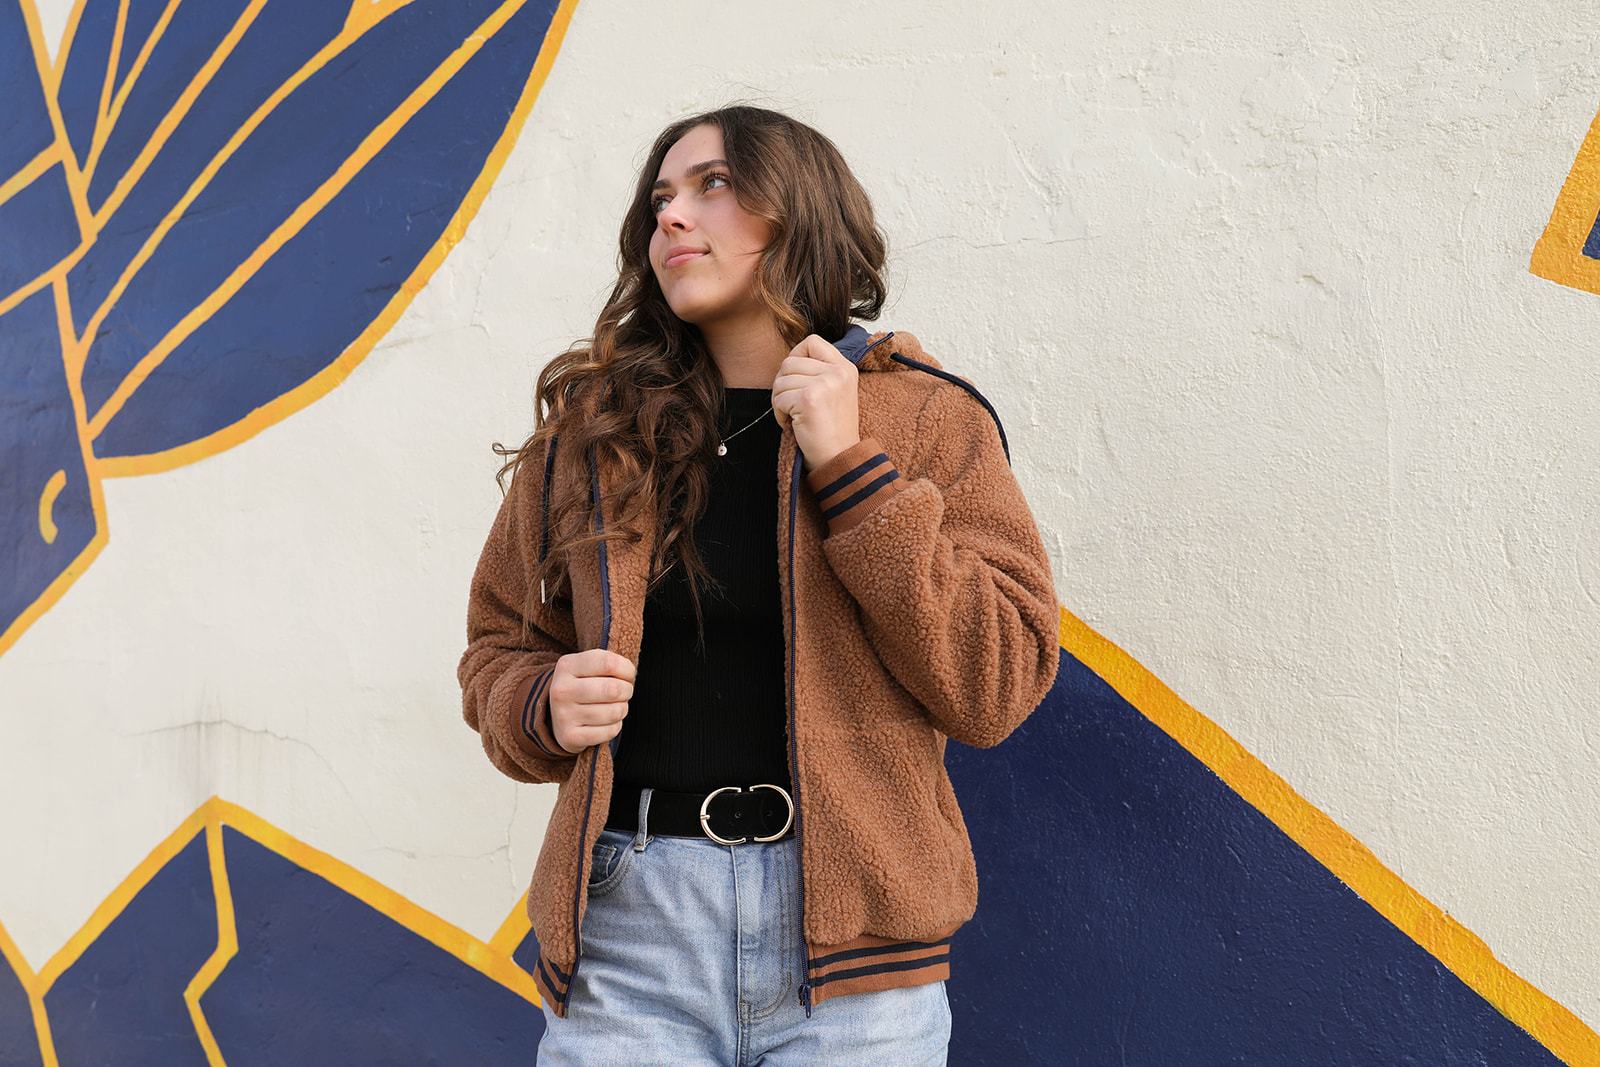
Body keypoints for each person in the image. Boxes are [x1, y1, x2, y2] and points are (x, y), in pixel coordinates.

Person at [457, 103, 1060, 1065]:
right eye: (660, 197)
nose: (672, 218)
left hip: (856, 954)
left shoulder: (930, 420)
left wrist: (852, 467)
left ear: (799, 212)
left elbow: (995, 681)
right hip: (631, 934)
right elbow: (496, 645)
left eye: (714, 185)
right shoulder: (595, 435)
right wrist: (538, 700)